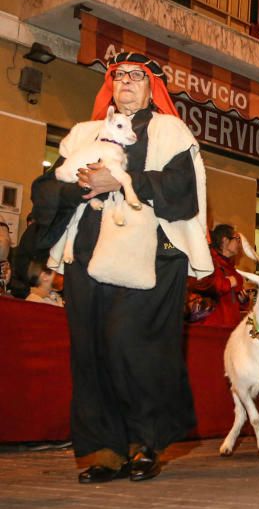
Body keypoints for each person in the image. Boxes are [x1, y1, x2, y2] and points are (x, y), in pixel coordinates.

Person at [31, 52, 211, 483]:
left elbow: (182, 190)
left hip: (153, 255)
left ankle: (145, 443)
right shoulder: (84, 134)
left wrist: (125, 182)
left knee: (131, 341)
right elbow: (46, 190)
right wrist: (81, 184)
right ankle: (105, 452)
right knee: (91, 349)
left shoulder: (170, 130)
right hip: (88, 255)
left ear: (153, 87)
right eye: (118, 76)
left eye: (136, 76)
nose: (126, 81)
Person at [191, 224, 246, 328]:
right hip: (211, 327)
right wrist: (228, 283)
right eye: (237, 239)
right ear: (225, 240)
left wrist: (243, 300)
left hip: (230, 328)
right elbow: (204, 284)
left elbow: (237, 302)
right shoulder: (208, 261)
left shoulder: (232, 269)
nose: (240, 243)